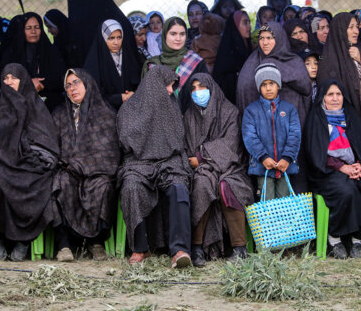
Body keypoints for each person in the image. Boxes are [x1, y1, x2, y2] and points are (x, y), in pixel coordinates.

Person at [0, 64, 60, 261]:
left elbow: (45, 139)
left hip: (27, 162)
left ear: (23, 81)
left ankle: (23, 240)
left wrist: (24, 150)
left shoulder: (35, 106)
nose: (9, 82)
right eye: (6, 78)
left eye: (14, 78)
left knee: (34, 181)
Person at [117, 66, 193, 268]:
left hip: (169, 161)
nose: (170, 90)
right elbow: (126, 141)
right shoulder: (130, 109)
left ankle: (179, 250)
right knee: (131, 187)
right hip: (139, 162)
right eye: (168, 85)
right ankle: (140, 248)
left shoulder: (172, 106)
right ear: (154, 86)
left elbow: (178, 139)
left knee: (178, 188)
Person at [301, 80, 361, 259]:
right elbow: (316, 152)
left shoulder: (350, 114)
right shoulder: (317, 117)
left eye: (338, 94)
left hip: (354, 166)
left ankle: (357, 238)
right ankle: (335, 237)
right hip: (327, 171)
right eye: (330, 94)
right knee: (347, 191)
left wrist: (360, 164)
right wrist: (342, 167)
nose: (335, 98)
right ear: (323, 97)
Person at [185, 74, 254, 266]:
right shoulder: (189, 116)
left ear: (212, 87)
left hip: (230, 167)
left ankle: (240, 248)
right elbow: (187, 148)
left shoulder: (230, 112)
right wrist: (199, 161)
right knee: (201, 184)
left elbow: (231, 144)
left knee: (228, 186)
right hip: (203, 171)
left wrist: (201, 157)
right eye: (194, 88)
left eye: (202, 87)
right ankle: (197, 247)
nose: (198, 92)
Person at [51, 69, 120, 261]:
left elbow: (109, 152)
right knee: (60, 182)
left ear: (88, 84)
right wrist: (68, 163)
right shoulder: (59, 114)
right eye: (68, 85)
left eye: (76, 82)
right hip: (68, 170)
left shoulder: (105, 113)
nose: (72, 88)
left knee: (103, 186)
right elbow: (52, 146)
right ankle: (64, 244)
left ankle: (95, 242)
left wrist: (84, 165)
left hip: (97, 171)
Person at [236, 22, 311, 155]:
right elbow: (245, 93)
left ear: (280, 38)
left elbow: (306, 88)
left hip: (292, 128)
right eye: (261, 38)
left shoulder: (293, 61)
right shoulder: (252, 63)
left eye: (270, 38)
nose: (265, 42)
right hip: (262, 134)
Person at [317, 13, 361, 142]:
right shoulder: (329, 59)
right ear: (341, 30)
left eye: (357, 27)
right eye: (351, 27)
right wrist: (357, 90)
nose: (356, 31)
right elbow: (326, 89)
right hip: (345, 122)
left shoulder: (358, 49)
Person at [242, 64, 301, 200]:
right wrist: (263, 157)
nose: (268, 88)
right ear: (259, 88)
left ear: (278, 85)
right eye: (263, 85)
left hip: (285, 167)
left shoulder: (289, 109)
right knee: (266, 204)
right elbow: (250, 137)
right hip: (263, 168)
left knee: (284, 203)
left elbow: (295, 135)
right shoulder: (251, 111)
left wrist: (287, 158)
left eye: (272, 83)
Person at [0, 12, 67, 111]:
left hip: (49, 103)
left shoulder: (50, 51)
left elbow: (60, 78)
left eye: (37, 27)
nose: (33, 31)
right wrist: (29, 83)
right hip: (18, 104)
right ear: (22, 30)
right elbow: (5, 83)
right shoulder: (12, 54)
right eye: (28, 28)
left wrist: (41, 85)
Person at [69, 0, 136, 67]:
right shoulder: (77, 4)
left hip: (110, 50)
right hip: (87, 52)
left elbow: (124, 23)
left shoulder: (106, 1)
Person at [142, 17, 207, 112]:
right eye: (173, 34)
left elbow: (203, 97)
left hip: (190, 122)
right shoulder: (153, 65)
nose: (178, 38)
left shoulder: (196, 62)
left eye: (182, 34)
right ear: (164, 35)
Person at [84, 19, 141, 110]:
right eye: (111, 38)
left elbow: (138, 83)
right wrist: (119, 98)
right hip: (106, 113)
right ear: (103, 38)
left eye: (119, 37)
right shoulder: (95, 63)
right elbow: (93, 97)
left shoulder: (128, 57)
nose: (116, 42)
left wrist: (132, 94)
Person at [212, 11, 252, 104]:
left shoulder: (248, 47)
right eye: (245, 23)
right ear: (235, 26)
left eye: (249, 22)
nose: (249, 27)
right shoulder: (227, 51)